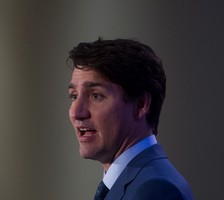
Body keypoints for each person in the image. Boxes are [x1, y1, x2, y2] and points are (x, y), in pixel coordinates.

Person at [67, 38, 193, 200]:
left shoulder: (155, 190)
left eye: (96, 96)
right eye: (74, 96)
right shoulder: (132, 182)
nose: (76, 112)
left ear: (140, 105)